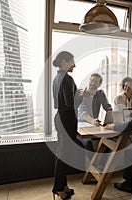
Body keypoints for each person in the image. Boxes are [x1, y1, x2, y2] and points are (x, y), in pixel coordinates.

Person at [52, 51, 83, 200]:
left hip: (60, 118)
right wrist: (81, 96)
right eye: (72, 61)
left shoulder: (57, 78)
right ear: (64, 62)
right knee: (63, 155)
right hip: (67, 119)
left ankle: (62, 185)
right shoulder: (68, 79)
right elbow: (72, 104)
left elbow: (58, 103)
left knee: (61, 153)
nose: (74, 65)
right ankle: (58, 188)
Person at [77, 73, 112, 151]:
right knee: (88, 143)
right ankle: (93, 162)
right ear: (89, 81)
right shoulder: (82, 94)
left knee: (107, 141)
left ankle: (103, 162)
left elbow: (108, 107)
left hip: (94, 125)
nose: (93, 83)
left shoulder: (100, 94)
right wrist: (92, 121)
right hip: (82, 124)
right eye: (92, 80)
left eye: (96, 82)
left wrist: (111, 118)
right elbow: (83, 113)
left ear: (99, 84)